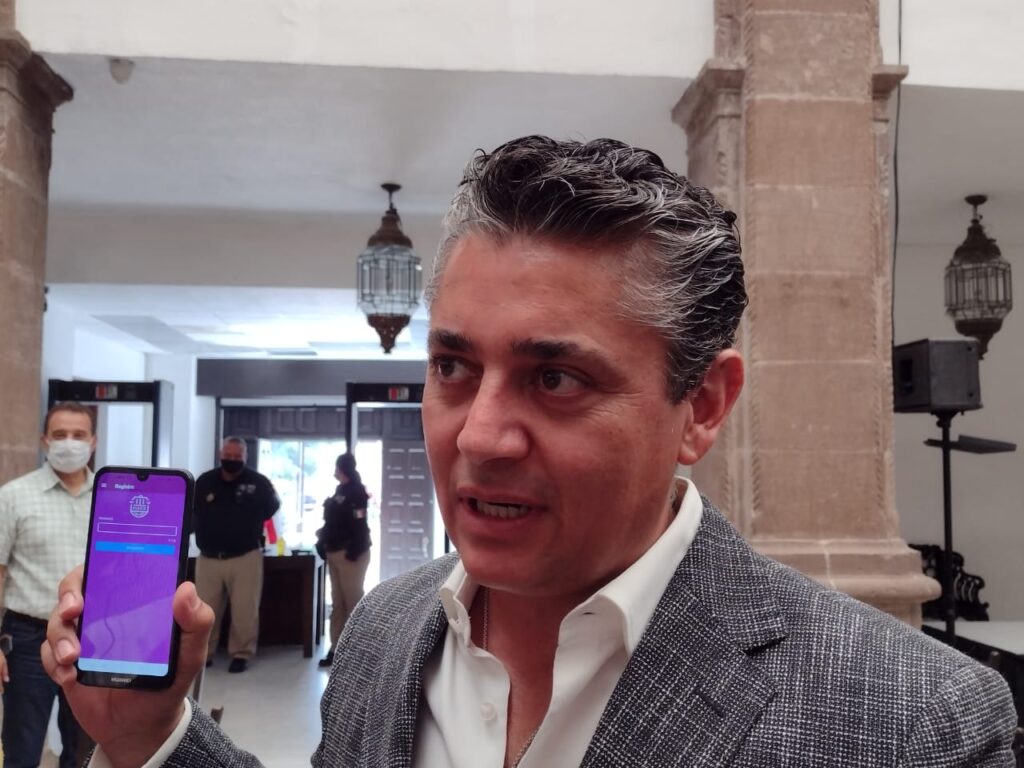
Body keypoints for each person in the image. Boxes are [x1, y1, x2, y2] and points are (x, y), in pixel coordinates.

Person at [43, 136, 1015, 767]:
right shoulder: (385, 631)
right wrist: (154, 734)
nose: (480, 435)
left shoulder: (913, 724)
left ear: (701, 406)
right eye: (453, 368)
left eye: (555, 379)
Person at [0, 402, 96, 768]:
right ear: (44, 441)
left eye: (78, 435)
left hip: (92, 636)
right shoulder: (13, 496)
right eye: (60, 435)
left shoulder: (111, 497)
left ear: (93, 441)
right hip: (27, 640)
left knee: (85, 751)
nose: (69, 443)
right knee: (22, 751)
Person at [192, 436, 279, 674]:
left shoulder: (258, 483)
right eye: (227, 456)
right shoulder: (205, 481)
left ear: (245, 457)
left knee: (245, 611)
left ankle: (241, 653)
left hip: (245, 557)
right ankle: (204, 654)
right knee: (204, 611)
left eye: (237, 456)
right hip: (209, 558)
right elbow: (192, 512)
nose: (231, 460)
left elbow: (271, 508)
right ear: (221, 455)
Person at [317, 453, 372, 669]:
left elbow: (359, 524)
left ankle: (358, 652)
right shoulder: (340, 491)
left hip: (351, 554)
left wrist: (354, 550)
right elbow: (332, 522)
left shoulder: (356, 492)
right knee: (338, 604)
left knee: (353, 603)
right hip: (334, 552)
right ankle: (336, 649)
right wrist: (322, 541)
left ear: (342, 468)